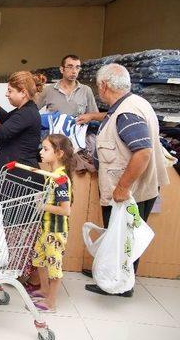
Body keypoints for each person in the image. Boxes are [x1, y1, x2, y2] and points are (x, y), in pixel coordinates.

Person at [84, 63, 169, 297]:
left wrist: (122, 187)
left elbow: (142, 152)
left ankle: (119, 286)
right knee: (121, 237)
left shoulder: (126, 113)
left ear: (104, 86)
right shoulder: (134, 103)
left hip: (129, 191)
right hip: (137, 188)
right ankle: (115, 279)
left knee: (124, 238)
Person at [30, 134, 74, 313]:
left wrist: (43, 205)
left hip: (55, 231)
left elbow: (66, 210)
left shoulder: (60, 179)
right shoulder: (51, 175)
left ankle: (51, 303)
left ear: (59, 153)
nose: (41, 152)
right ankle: (44, 290)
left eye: (45, 149)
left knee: (54, 267)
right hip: (45, 228)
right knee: (39, 260)